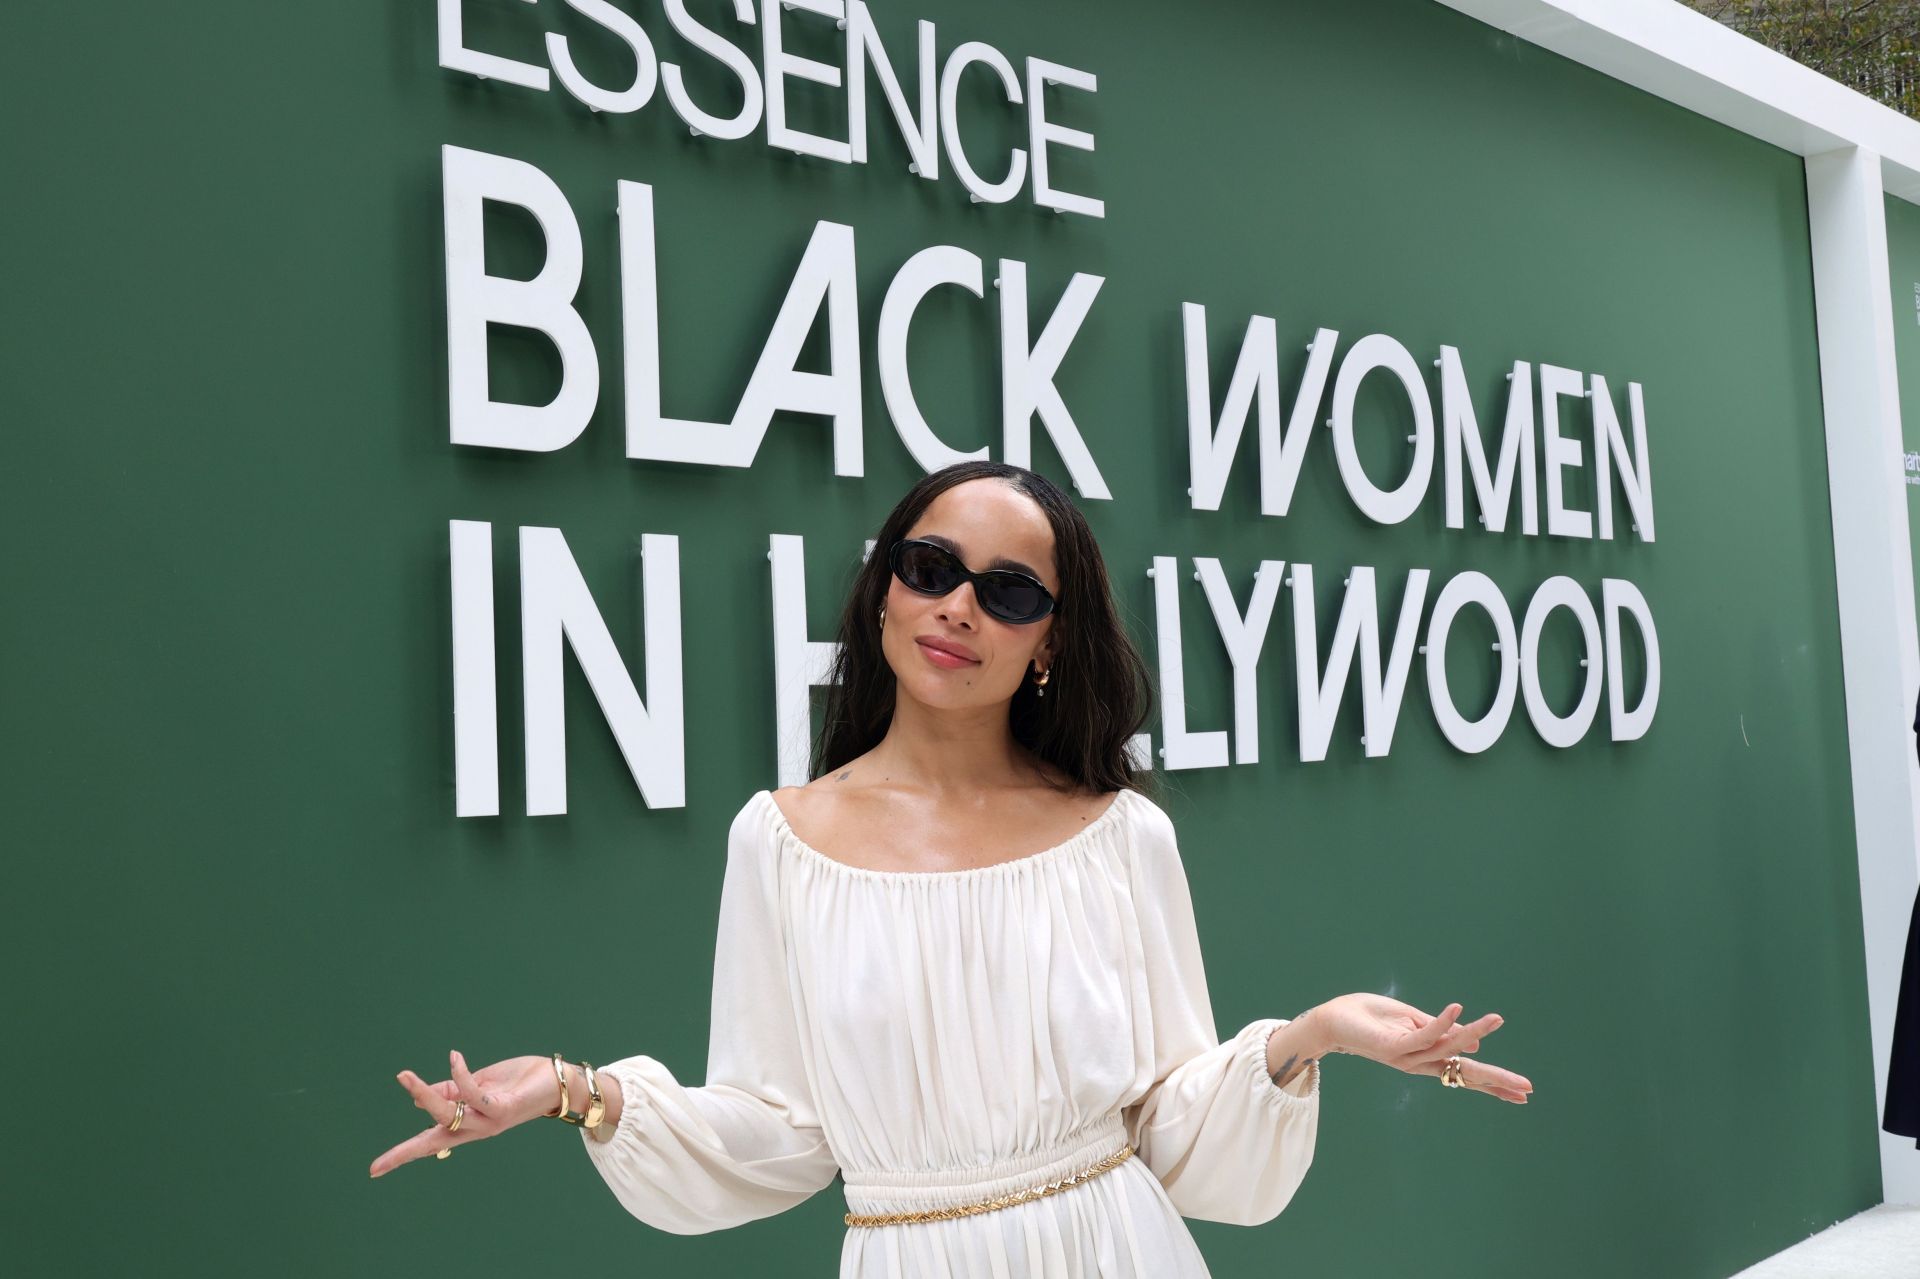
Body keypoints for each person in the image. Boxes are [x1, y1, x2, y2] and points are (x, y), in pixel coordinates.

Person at [370, 460, 1535, 1274]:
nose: (960, 606)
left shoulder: (1121, 834)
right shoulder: (778, 838)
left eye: (1010, 591)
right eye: (931, 566)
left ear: (1050, 641)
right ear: (884, 587)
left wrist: (1308, 1035)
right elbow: (777, 1131)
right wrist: (580, 1090)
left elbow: (1172, 1126)